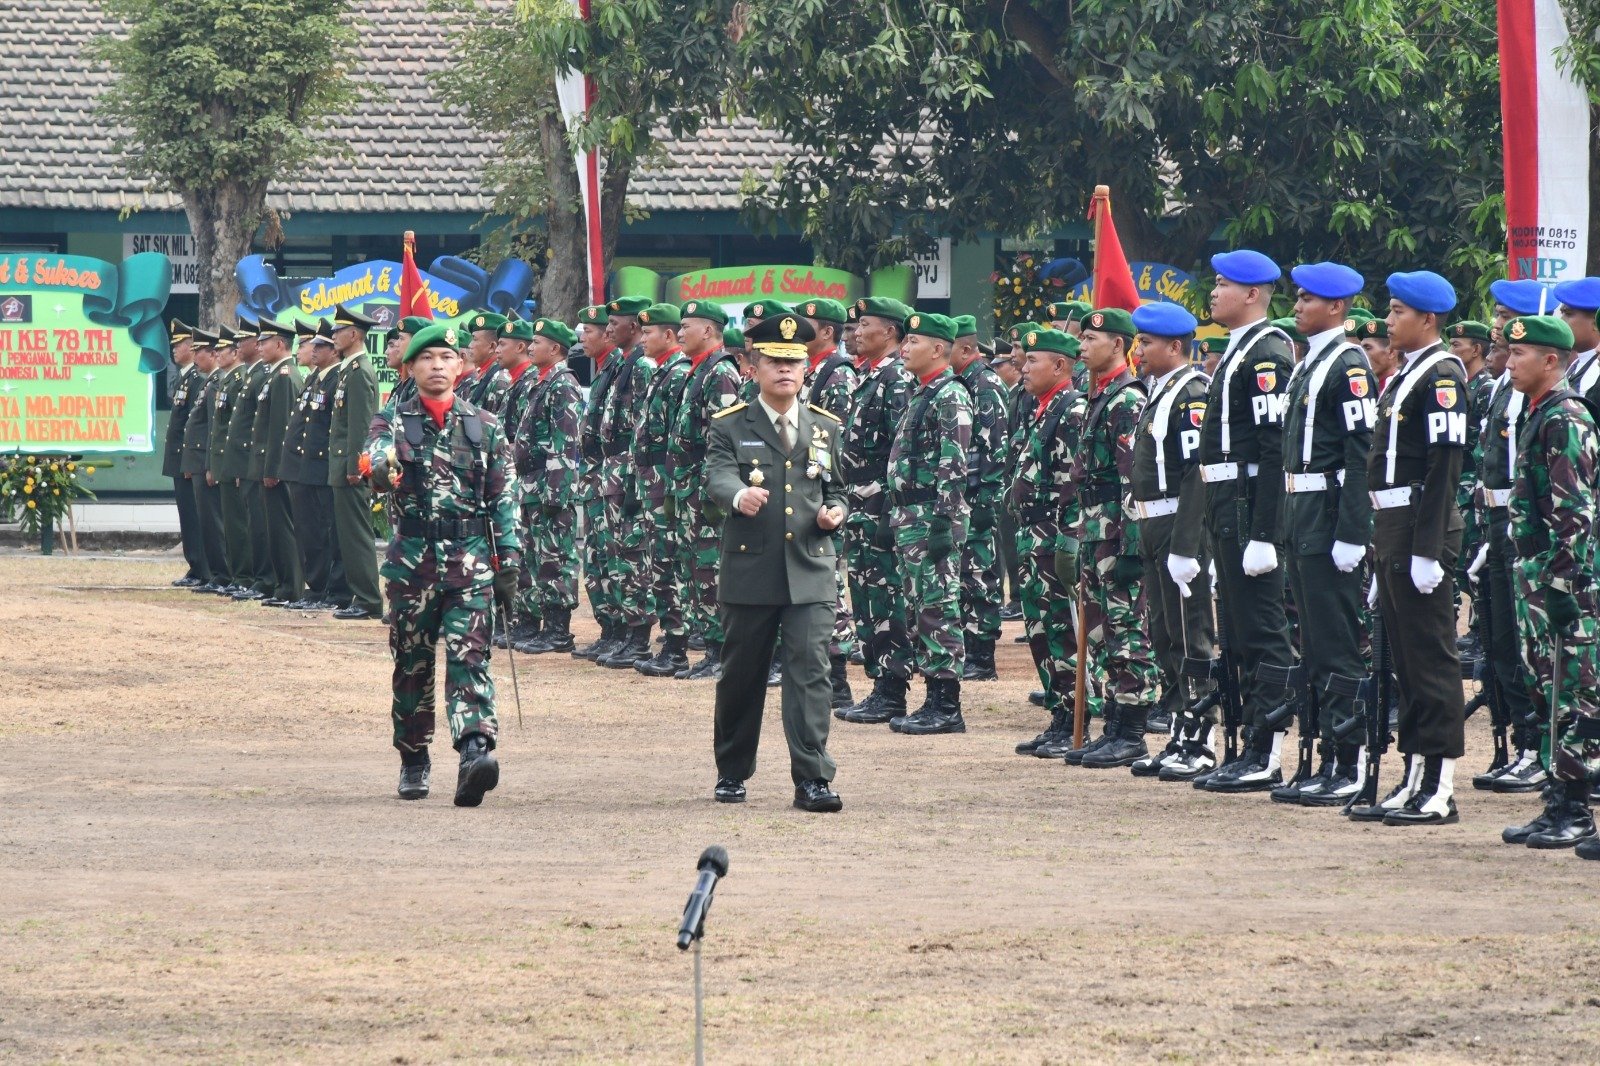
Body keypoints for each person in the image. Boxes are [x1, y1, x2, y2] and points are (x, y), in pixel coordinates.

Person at [365, 321, 522, 807]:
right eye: (426, 358)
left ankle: (475, 751)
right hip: (412, 565)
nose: (437, 366)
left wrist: (509, 560)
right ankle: (414, 758)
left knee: (470, 656)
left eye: (445, 357)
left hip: (470, 562)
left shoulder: (485, 424)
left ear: (460, 365)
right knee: (411, 663)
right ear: (410, 368)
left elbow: (505, 496)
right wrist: (380, 469)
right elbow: (376, 460)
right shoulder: (390, 421)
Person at [705, 310, 847, 812]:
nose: (785, 370)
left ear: (806, 367)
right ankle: (732, 769)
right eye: (773, 361)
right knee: (742, 674)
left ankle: (813, 777)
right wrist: (738, 494)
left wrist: (835, 511)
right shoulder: (730, 425)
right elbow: (717, 475)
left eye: (794, 361)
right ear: (751, 366)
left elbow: (836, 489)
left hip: (810, 568)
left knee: (810, 672)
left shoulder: (825, 427)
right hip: (751, 568)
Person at [1350, 270, 1469, 826]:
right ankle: (1416, 774)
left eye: (1398, 312)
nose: (1389, 320)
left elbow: (1444, 468)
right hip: (1393, 525)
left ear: (1428, 319)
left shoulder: (1441, 375)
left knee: (1431, 660)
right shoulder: (1407, 374)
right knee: (1405, 660)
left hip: (1422, 524)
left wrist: (1428, 548)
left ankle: (1440, 785)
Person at [1185, 250, 1297, 793]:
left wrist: (1265, 534)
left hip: (1251, 507)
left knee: (1263, 631)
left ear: (1253, 294)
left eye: (1224, 284)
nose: (1214, 292)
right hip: (1228, 504)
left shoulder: (1269, 352)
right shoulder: (1240, 350)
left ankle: (1268, 747)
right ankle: (1249, 739)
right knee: (1238, 631)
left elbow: (1276, 452)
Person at [1272, 262, 1376, 806]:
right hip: (1301, 511)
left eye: (1307, 299)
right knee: (1313, 642)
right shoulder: (1310, 362)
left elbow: (1362, 455)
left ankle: (1350, 758)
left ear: (1336, 307)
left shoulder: (1348, 363)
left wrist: (1352, 531)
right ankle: (1327, 754)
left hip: (1328, 512)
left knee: (1338, 643)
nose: (1297, 306)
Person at [1496, 314, 1600, 851]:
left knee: (1573, 692)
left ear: (1551, 361)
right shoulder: (1537, 414)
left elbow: (1575, 513)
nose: (1510, 363)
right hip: (1538, 575)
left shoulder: (1566, 418)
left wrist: (1562, 587)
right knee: (1546, 687)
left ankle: (1577, 807)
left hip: (1566, 582)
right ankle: (1557, 801)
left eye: (1521, 355)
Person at [1059, 308, 1157, 767]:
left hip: (1117, 532)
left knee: (1127, 629)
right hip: (1094, 529)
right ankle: (1114, 723)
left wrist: (1132, 545)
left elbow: (1132, 480)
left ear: (1118, 344)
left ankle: (1133, 729)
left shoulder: (1127, 399)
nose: (1081, 347)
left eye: (1090, 339)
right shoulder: (1100, 395)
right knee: (1101, 631)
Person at [1124, 303, 1217, 778]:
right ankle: (1180, 732)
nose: (1139, 351)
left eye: (1148, 343)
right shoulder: (1162, 392)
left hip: (1178, 527)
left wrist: (1185, 545)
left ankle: (1200, 739)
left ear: (1176, 346)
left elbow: (1195, 476)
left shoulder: (1191, 394)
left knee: (1189, 634)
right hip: (1152, 524)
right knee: (1164, 635)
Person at [1470, 280, 1554, 792]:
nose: (1497, 325)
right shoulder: (1504, 383)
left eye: (1507, 318)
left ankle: (1538, 746)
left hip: (1527, 528)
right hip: (1496, 524)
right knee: (1502, 640)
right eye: (1498, 316)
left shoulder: (1536, 391)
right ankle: (1525, 743)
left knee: (1532, 643)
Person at [885, 311, 973, 735]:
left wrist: (944, 520)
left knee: (939, 606)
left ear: (938, 349)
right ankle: (932, 697)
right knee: (921, 607)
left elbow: (953, 464)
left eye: (913, 341)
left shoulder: (949, 394)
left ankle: (946, 705)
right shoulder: (923, 392)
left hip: (932, 517)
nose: (904, 347)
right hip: (911, 516)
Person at [1007, 327, 1089, 758]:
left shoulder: (1071, 410)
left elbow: (1075, 484)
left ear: (1060, 366)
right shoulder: (1045, 407)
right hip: (1033, 535)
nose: (1022, 368)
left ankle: (1079, 717)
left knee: (1063, 629)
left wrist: (1071, 542)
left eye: (1032, 361)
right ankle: (1059, 714)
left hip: (1055, 535)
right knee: (1041, 631)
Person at [835, 297, 915, 724]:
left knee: (887, 599)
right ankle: (879, 683)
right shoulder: (869, 377)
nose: (856, 332)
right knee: (866, 598)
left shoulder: (896, 379)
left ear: (889, 332)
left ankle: (892, 689)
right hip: (859, 505)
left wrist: (887, 510)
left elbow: (899, 451)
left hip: (880, 506)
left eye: (864, 324)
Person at [669, 300, 745, 679]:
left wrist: (717, 492)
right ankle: (711, 647)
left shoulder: (721, 373)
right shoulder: (697, 371)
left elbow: (725, 441)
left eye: (687, 326)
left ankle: (723, 652)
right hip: (689, 491)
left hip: (707, 493)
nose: (680, 333)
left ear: (710, 330)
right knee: (695, 569)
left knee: (711, 569)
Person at [511, 318, 586, 654]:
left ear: (555, 348)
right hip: (530, 483)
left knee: (555, 556)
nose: (530, 347)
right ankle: (530, 622)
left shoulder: (562, 384)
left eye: (537, 342)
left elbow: (566, 443)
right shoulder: (541, 382)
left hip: (549, 484)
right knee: (531, 556)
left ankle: (557, 629)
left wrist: (557, 492)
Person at [798, 298, 859, 705]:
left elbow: (828, 443)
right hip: (800, 492)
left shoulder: (837, 375)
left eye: (805, 326)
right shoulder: (809, 372)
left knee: (828, 585)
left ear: (826, 332)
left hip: (823, 494)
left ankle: (837, 679)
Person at [629, 303, 692, 676]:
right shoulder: (663, 372)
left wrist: (666, 487)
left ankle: (678, 645)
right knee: (660, 564)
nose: (642, 339)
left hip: (666, 485)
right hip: (652, 483)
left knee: (670, 563)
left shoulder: (678, 373)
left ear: (666, 336)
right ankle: (671, 643)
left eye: (648, 333)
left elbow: (674, 439)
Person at [594, 296, 657, 668]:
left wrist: (635, 476)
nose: (607, 330)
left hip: (630, 469)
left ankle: (638, 637)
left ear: (632, 327)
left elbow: (642, 425)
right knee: (616, 554)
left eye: (614, 323)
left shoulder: (642, 366)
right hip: (614, 468)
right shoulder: (623, 363)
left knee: (634, 554)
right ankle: (623, 631)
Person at [950, 315, 1010, 683]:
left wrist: (985, 502)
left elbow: (995, 449)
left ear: (967, 349)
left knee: (980, 576)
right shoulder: (962, 382)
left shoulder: (984, 383)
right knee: (965, 575)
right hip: (967, 496)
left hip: (981, 497)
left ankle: (982, 654)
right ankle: (972, 647)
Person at [574, 305, 628, 661]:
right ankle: (610, 630)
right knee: (597, 555)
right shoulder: (607, 370)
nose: (584, 337)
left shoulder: (627, 367)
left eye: (591, 330)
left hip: (617, 474)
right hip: (598, 475)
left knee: (621, 555)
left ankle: (627, 633)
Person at [327, 305, 383, 620]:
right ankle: (359, 595)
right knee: (346, 536)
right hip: (340, 465)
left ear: (353, 334)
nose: (334, 335)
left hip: (350, 468)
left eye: (338, 330)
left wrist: (354, 466)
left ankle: (368, 599)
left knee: (356, 535)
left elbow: (361, 425)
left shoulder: (360, 371)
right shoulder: (350, 369)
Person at [287, 320, 348, 611]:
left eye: (321, 345)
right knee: (310, 531)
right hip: (306, 466)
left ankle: (332, 588)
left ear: (334, 351)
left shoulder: (337, 379)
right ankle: (318, 587)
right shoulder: (317, 378)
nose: (313, 350)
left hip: (323, 466)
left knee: (326, 531)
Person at [252, 319, 305, 607]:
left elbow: (281, 429)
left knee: (283, 527)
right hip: (269, 464)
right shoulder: (276, 376)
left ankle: (291, 587)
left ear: (280, 344)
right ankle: (283, 585)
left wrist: (273, 469)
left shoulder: (285, 376)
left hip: (278, 466)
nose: (259, 346)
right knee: (275, 527)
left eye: (264, 341)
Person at [180, 329, 227, 594]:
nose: (195, 357)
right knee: (205, 521)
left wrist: (210, 463)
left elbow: (213, 428)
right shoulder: (208, 382)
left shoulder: (217, 381)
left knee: (213, 521)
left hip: (205, 461)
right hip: (198, 459)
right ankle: (214, 573)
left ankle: (218, 573)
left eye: (201, 352)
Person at [163, 320, 209, 588]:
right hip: (180, 459)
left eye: (178, 345)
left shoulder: (197, 379)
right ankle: (195, 566)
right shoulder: (185, 378)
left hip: (189, 459)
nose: (173, 350)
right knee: (186, 515)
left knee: (195, 515)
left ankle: (203, 567)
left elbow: (195, 424)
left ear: (191, 348)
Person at [1554, 278, 1600, 403]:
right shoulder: (1576, 365)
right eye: (1562, 313)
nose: (1561, 321)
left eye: (1568, 314)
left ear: (1595, 322)